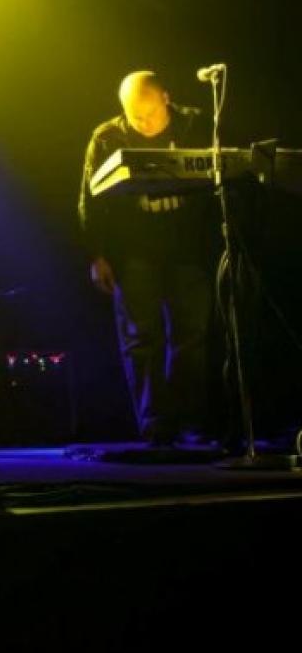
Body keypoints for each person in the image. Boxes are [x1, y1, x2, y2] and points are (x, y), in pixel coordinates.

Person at [78, 70, 217, 447]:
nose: (143, 123)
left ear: (166, 98)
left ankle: (190, 422)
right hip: (132, 252)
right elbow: (89, 199)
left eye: (150, 113)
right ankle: (156, 425)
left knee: (191, 338)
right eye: (134, 116)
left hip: (187, 249)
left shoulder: (196, 125)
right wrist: (96, 255)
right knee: (141, 340)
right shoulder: (107, 138)